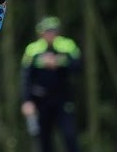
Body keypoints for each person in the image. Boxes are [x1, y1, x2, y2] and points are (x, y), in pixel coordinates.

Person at [20, 16, 82, 152]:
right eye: (47, 31)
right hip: (40, 100)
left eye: (53, 31)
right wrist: (27, 101)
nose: (50, 34)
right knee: (43, 140)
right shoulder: (32, 49)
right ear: (41, 33)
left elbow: (78, 65)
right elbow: (26, 77)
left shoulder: (67, 45)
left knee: (69, 136)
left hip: (63, 98)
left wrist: (59, 61)